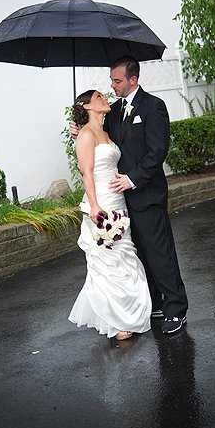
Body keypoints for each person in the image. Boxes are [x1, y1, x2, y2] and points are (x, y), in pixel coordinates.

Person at [105, 57, 189, 334]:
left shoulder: (154, 107)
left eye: (117, 80)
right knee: (140, 254)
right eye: (111, 80)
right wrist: (79, 130)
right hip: (122, 201)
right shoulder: (114, 112)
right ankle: (155, 303)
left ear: (133, 79)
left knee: (160, 253)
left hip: (147, 194)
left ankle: (176, 309)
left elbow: (157, 152)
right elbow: (104, 145)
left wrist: (132, 179)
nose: (112, 85)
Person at [68, 90, 152, 341]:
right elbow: (87, 173)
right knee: (107, 260)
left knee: (124, 255)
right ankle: (116, 321)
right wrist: (94, 206)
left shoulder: (106, 132)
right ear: (87, 106)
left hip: (119, 200)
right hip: (101, 202)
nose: (105, 99)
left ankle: (130, 312)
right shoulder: (85, 135)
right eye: (98, 98)